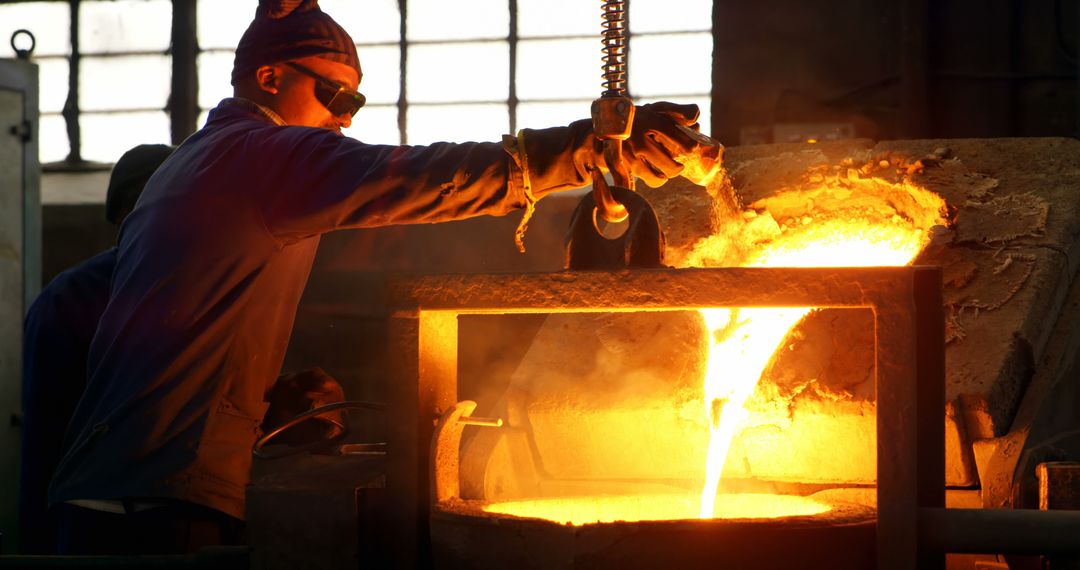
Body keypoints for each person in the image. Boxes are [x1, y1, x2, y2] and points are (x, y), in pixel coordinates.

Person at [47, 0, 711, 554]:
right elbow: (407, 178)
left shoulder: (193, 167)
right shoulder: (257, 154)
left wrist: (253, 408)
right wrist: (575, 152)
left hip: (120, 493)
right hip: (155, 509)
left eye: (356, 102)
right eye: (335, 94)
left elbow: (173, 325)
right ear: (269, 76)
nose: (345, 116)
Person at [19, 144, 173, 554]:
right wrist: (38, 546)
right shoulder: (71, 298)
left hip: (186, 512)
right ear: (126, 217)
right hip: (97, 520)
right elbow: (44, 434)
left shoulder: (209, 292)